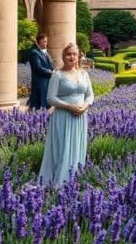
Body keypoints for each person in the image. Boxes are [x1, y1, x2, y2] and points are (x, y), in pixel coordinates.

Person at [38, 43, 94, 186]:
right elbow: (50, 98)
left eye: (74, 54)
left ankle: (75, 179)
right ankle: (60, 182)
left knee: (77, 147)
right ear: (64, 56)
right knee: (63, 148)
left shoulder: (84, 74)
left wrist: (84, 107)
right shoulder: (58, 74)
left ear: (78, 56)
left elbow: (90, 96)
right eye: (68, 54)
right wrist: (69, 106)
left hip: (81, 116)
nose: (71, 57)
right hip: (63, 116)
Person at [28, 33, 54, 110]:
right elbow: (38, 68)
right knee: (38, 106)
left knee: (47, 105)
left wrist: (55, 71)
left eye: (46, 41)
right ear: (39, 42)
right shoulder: (34, 53)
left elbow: (50, 65)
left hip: (47, 81)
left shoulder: (45, 52)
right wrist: (51, 72)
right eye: (44, 41)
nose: (46, 43)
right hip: (40, 82)